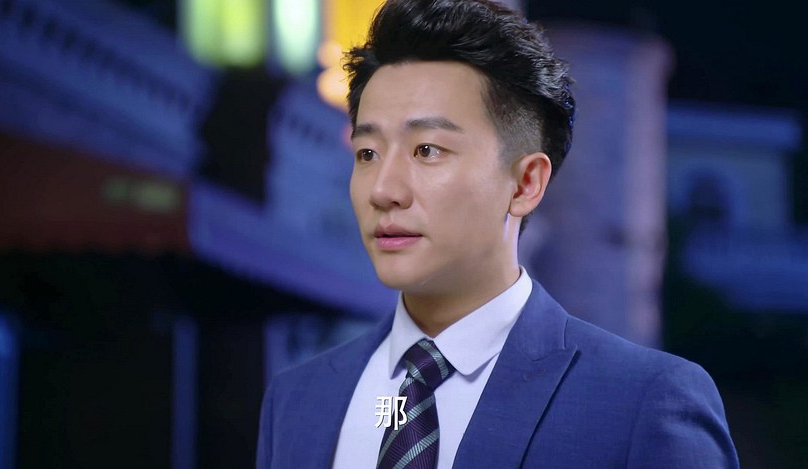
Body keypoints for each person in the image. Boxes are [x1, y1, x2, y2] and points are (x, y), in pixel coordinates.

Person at [256, 0, 739, 467]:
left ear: (525, 183)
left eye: (427, 150)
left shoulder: (644, 402)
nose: (383, 190)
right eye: (368, 154)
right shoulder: (298, 399)